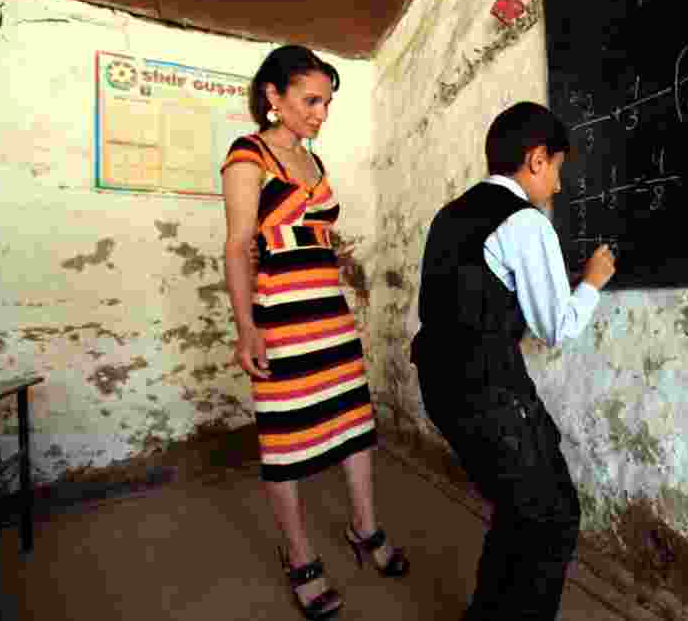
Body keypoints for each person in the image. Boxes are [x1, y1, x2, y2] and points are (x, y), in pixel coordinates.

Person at [221, 44, 409, 620]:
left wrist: (344, 259)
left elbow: (313, 236)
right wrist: (247, 328)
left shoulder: (315, 163)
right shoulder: (248, 155)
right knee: (286, 442)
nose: (320, 113)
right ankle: (299, 555)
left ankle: (364, 527)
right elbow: (237, 244)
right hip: (282, 321)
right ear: (272, 98)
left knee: (353, 427)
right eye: (310, 100)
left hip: (330, 318)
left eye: (326, 102)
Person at [410, 101, 616, 620]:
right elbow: (555, 329)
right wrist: (593, 281)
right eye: (559, 170)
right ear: (537, 159)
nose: (560, 187)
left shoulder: (449, 214)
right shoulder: (525, 222)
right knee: (552, 518)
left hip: (443, 386)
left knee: (520, 510)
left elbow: (470, 293)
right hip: (488, 391)